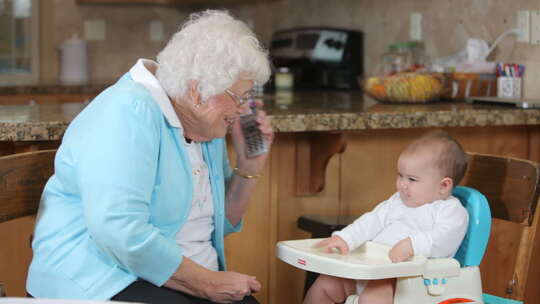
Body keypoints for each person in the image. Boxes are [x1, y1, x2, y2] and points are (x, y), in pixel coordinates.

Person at [26, 10, 272, 304]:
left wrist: (249, 165)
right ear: (197, 91)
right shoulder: (127, 112)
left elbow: (220, 220)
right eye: (238, 97)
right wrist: (207, 283)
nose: (242, 109)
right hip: (102, 278)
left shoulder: (202, 123)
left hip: (171, 278)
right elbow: (120, 232)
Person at [303, 130, 470, 304]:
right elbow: (371, 221)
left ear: (443, 185)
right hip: (371, 266)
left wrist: (413, 244)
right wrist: (345, 238)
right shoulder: (396, 202)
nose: (402, 184)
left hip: (405, 278)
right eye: (400, 175)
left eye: (412, 179)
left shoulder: (451, 211)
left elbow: (444, 238)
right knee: (326, 284)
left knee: (375, 295)